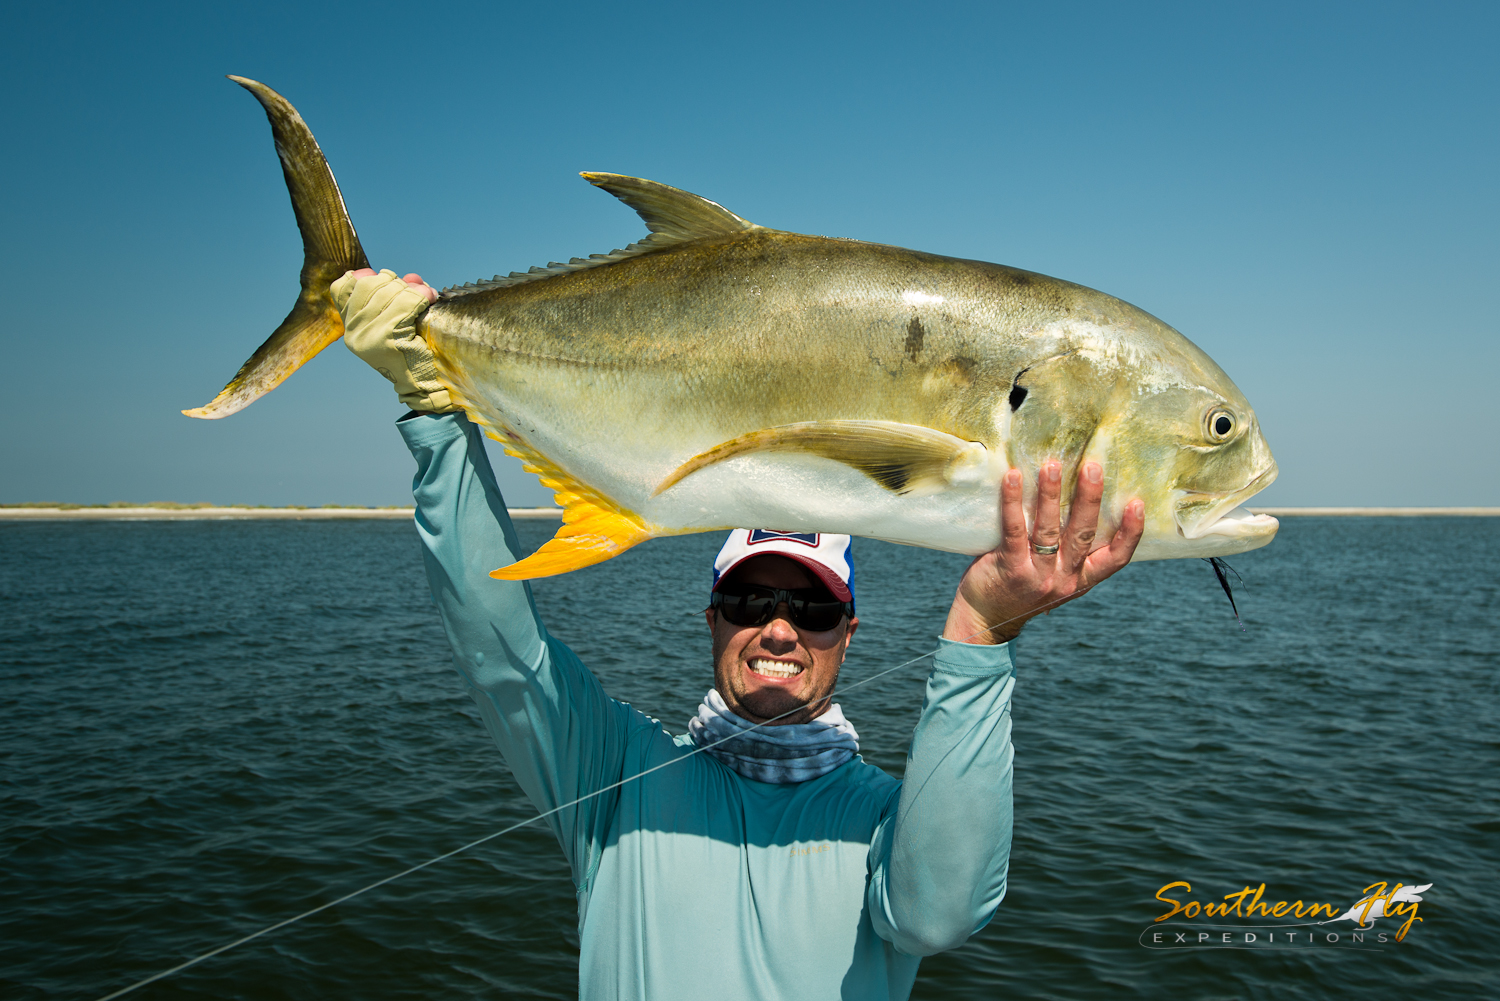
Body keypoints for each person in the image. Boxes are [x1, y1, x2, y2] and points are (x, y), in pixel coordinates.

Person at [333, 268, 1145, 1000]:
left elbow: (936, 916)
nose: (780, 629)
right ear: (713, 618)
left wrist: (983, 629)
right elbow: (498, 646)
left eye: (814, 607)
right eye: (751, 600)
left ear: (849, 633)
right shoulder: (612, 777)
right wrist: (435, 418)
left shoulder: (882, 823)